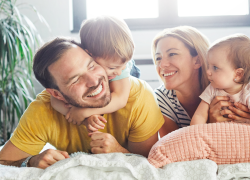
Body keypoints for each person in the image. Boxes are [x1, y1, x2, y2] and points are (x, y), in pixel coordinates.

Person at [0, 38, 164, 169]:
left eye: (92, 66)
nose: (94, 81)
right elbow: (4, 161)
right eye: (75, 79)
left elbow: (149, 164)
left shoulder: (138, 97)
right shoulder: (43, 111)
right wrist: (31, 161)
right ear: (56, 94)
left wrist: (119, 152)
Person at [50, 16, 140, 133]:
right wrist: (82, 117)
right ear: (90, 56)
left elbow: (120, 99)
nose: (118, 72)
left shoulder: (120, 67)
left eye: (124, 64)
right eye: (112, 67)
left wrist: (85, 112)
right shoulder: (79, 57)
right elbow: (55, 100)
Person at [191, 34, 250, 125]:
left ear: (238, 74)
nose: (208, 72)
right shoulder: (212, 89)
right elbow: (200, 115)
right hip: (219, 136)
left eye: (215, 68)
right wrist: (194, 134)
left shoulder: (247, 91)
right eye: (208, 66)